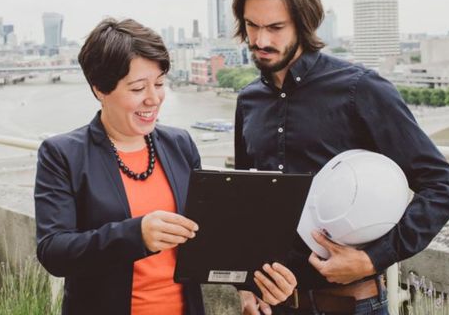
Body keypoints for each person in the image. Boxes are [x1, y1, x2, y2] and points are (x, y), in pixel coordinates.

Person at [231, 0, 449, 314]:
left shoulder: (361, 90)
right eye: (251, 26)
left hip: (351, 303)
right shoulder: (248, 100)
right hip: (275, 306)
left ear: (304, 23)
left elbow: (442, 185)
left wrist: (371, 258)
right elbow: (246, 200)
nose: (260, 40)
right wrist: (244, 285)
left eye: (275, 27)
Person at [34, 18, 296, 315]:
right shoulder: (62, 154)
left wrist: (250, 284)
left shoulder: (179, 144)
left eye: (159, 84)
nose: (153, 98)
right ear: (99, 89)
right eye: (137, 88)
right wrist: (136, 235)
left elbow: (209, 236)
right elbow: (53, 251)